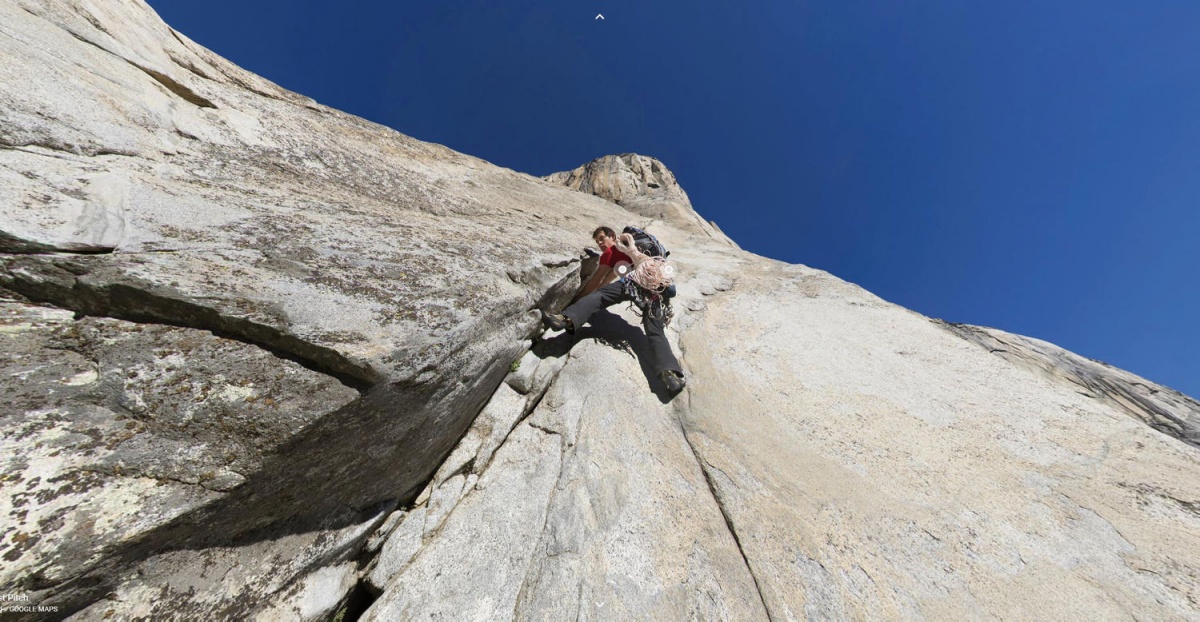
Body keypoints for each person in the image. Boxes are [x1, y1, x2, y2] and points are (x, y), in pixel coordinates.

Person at [543, 226, 687, 393]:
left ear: (612, 236)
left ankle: (565, 319)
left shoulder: (612, 251)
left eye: (602, 239)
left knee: (598, 297)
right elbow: (610, 278)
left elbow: (596, 282)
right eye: (597, 242)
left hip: (634, 282)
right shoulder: (633, 250)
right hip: (658, 288)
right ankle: (670, 375)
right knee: (655, 331)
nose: (600, 244)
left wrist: (574, 302)